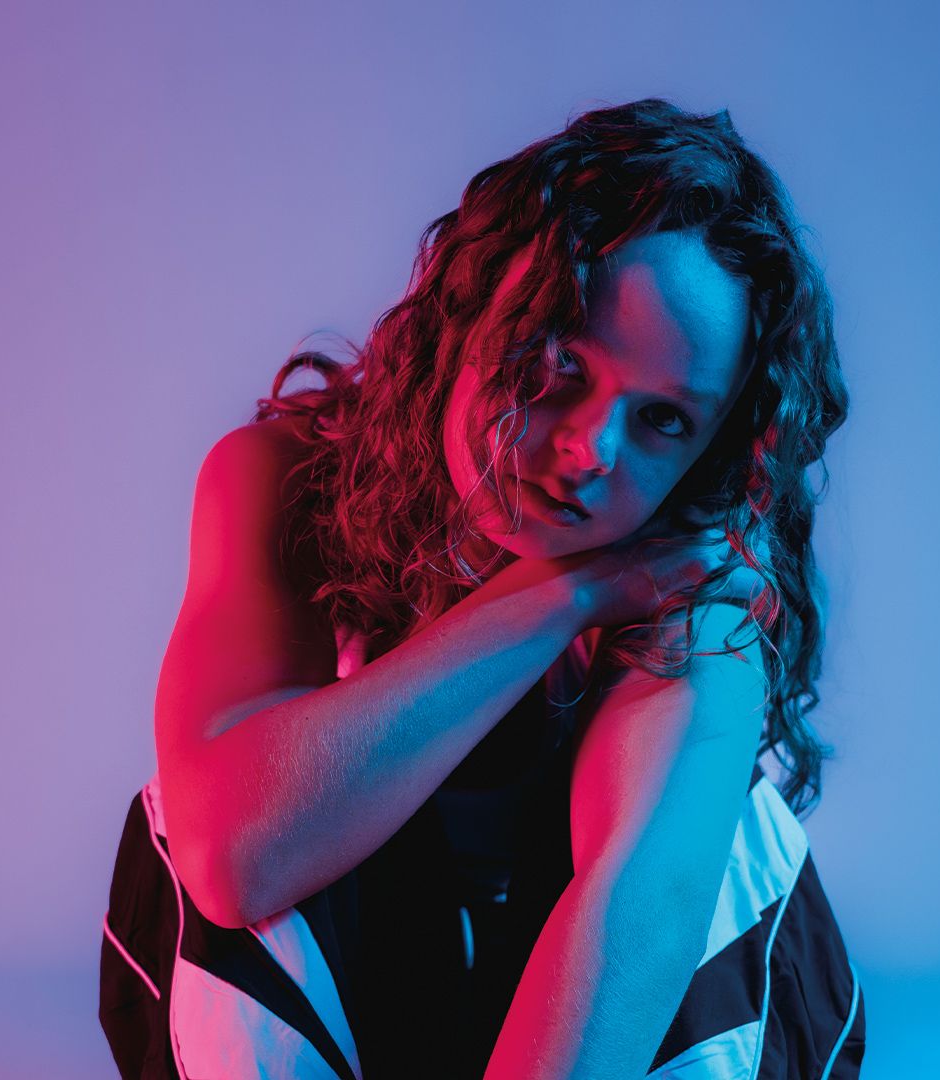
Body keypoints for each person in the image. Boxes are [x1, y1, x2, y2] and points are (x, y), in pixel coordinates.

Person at [99, 98, 866, 1079]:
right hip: (383, 1016)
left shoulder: (691, 587)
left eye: (664, 420)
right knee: (205, 810)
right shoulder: (289, 482)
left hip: (594, 1043)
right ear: (472, 307)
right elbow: (231, 854)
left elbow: (636, 919)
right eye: (561, 362)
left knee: (722, 853)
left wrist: (606, 601)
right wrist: (563, 596)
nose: (592, 450)